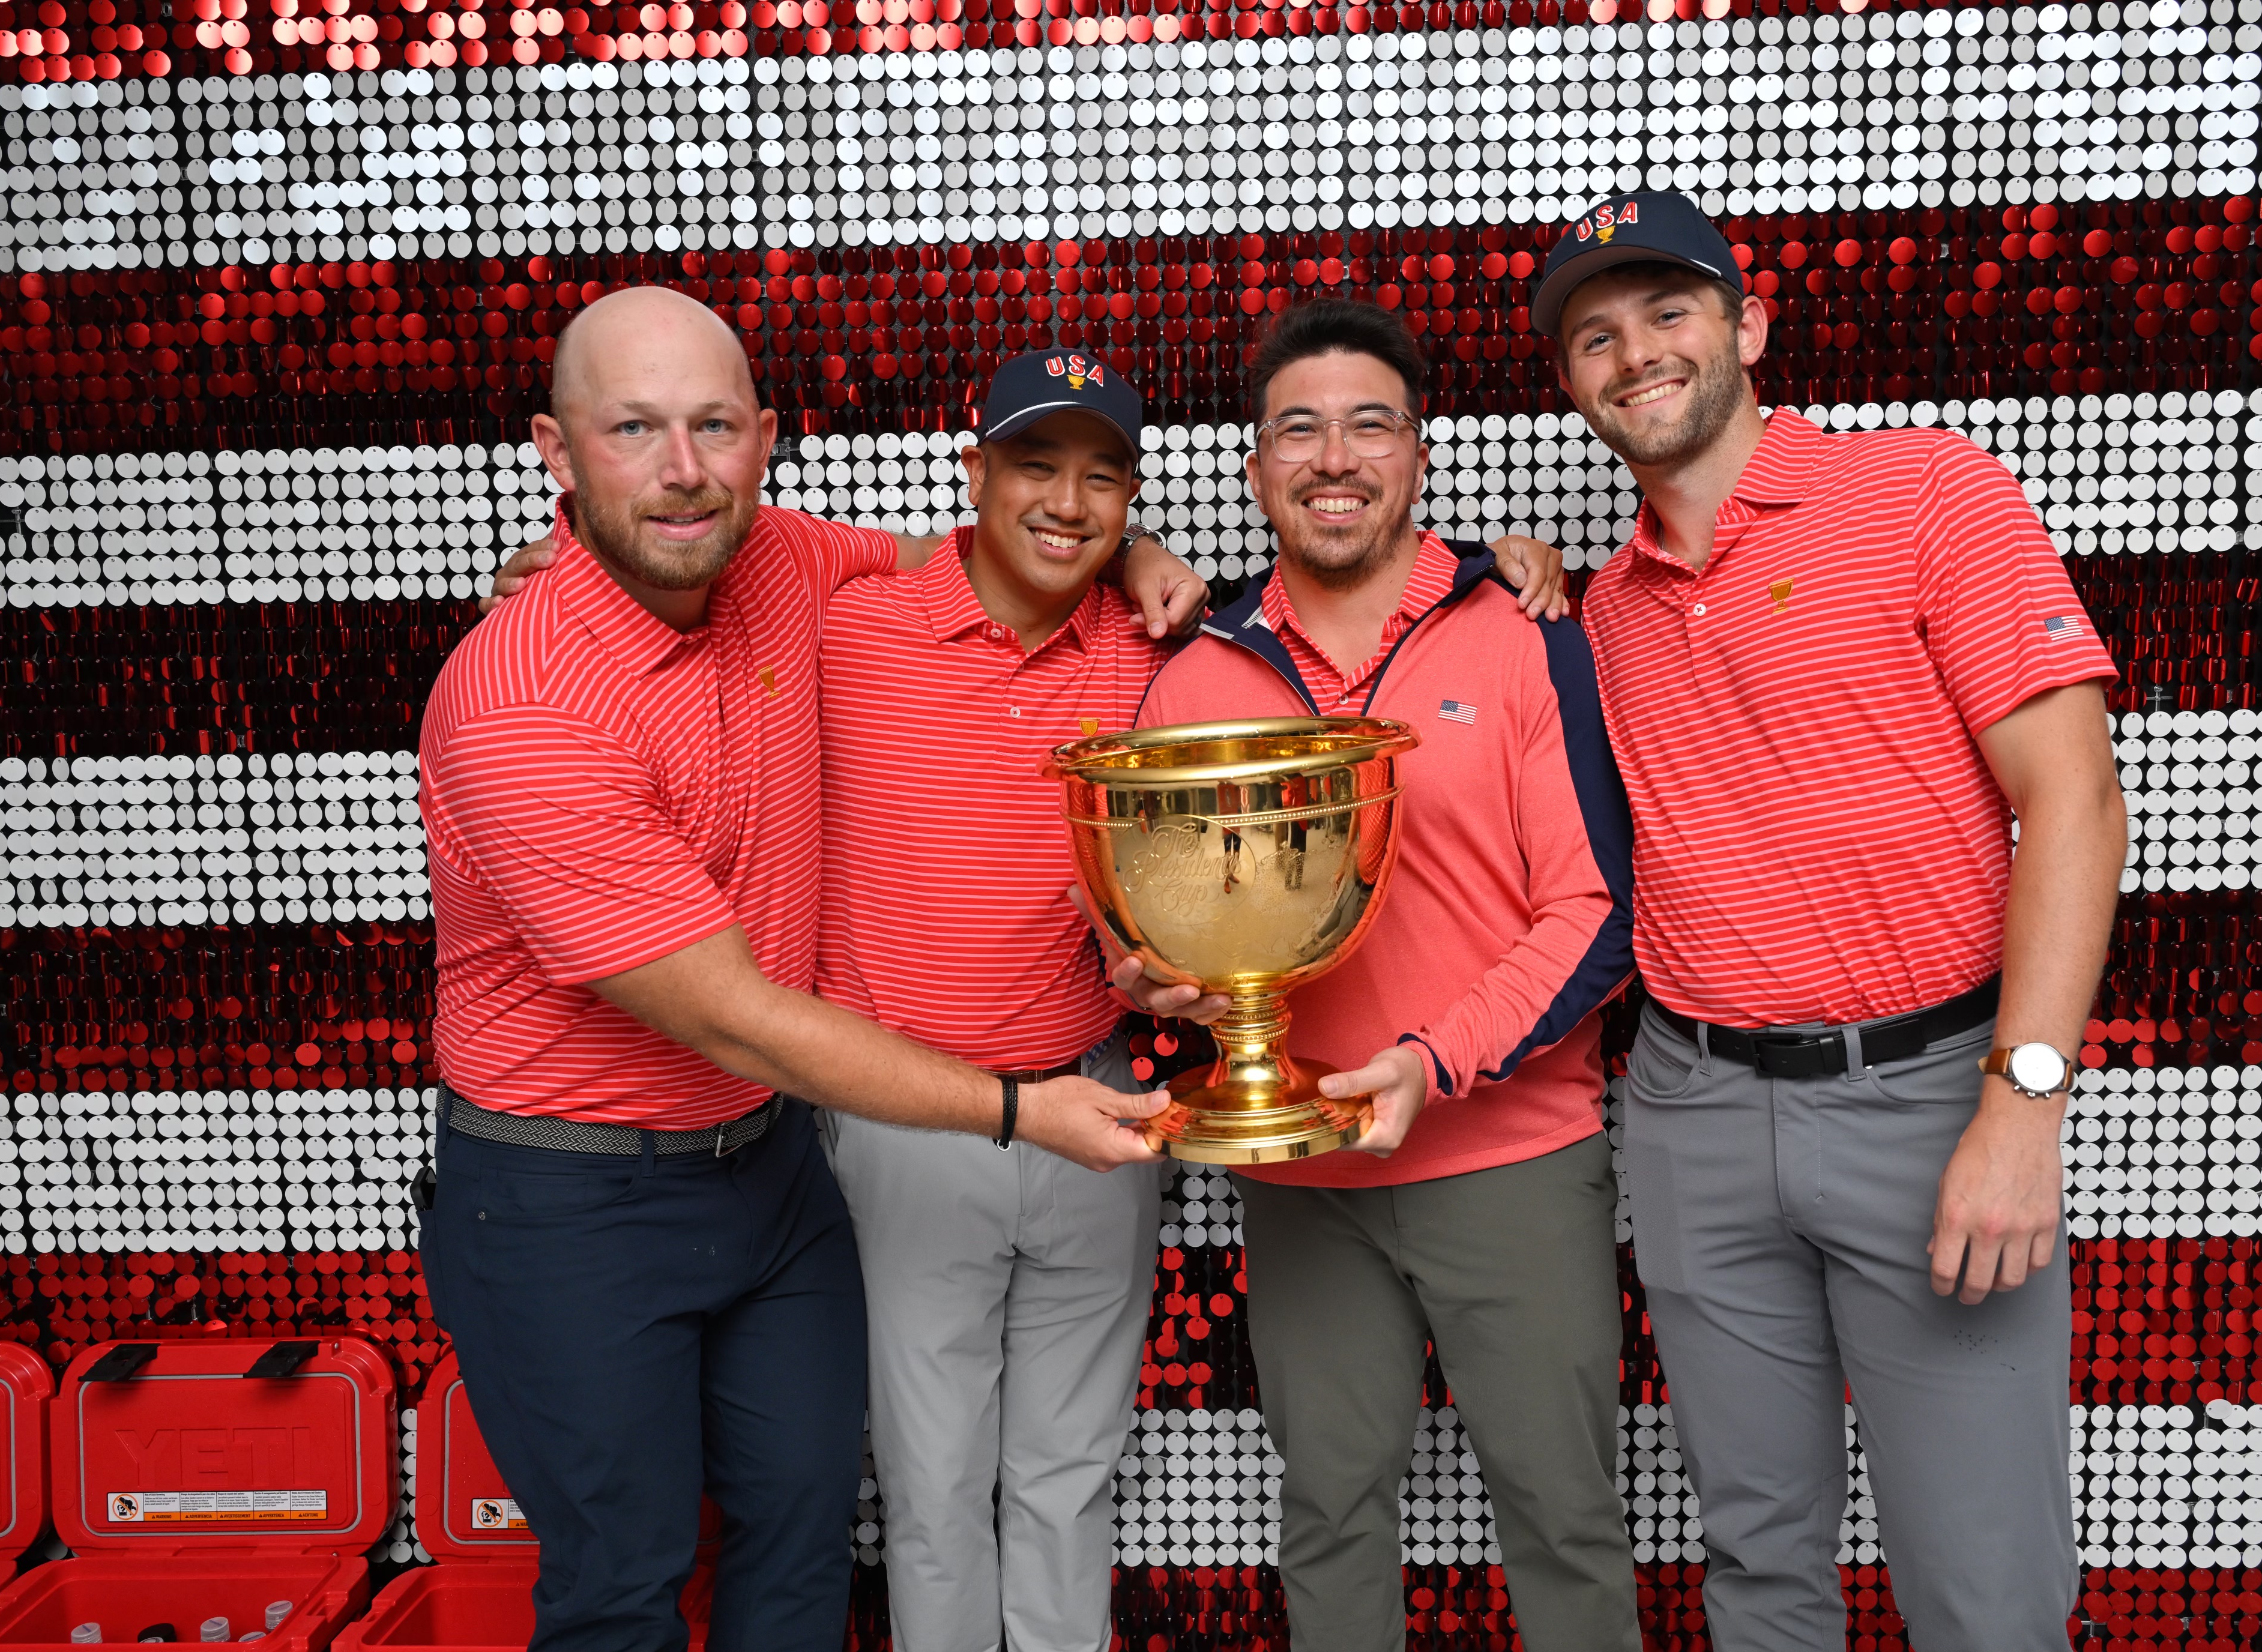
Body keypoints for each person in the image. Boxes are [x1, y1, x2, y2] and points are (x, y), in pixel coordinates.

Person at [472, 328, 1576, 1652]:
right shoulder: (841, 610)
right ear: (971, 475)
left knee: (1069, 1475)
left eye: (1102, 477)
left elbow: (1187, 876)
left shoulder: (1161, 644)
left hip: (1097, 1108)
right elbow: (679, 554)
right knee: (929, 1491)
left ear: (1134, 500)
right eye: (1033, 465)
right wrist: (564, 562)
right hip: (900, 1118)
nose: (1065, 500)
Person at [417, 287, 1176, 1652]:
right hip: (571, 1191)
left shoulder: (779, 559)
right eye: (632, 429)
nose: (682, 469)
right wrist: (1017, 1107)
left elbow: (1000, 543)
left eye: (712, 425)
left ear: (766, 438)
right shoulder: (523, 695)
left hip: (767, 1171)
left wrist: (1132, 550)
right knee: (626, 1576)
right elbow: (743, 1019)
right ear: (555, 449)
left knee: (800, 1535)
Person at [1530, 191, 2127, 1651]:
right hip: (1690, 1111)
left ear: (1749, 325)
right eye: (1594, 337)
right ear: (1570, 385)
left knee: (1984, 1588)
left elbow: (2077, 799)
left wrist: (2022, 1105)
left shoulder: (1927, 491)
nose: (1636, 356)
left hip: (1928, 1098)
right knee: (1759, 1566)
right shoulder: (1600, 610)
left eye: (1669, 313)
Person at [1117, 297, 1641, 1652]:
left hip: (1508, 1154)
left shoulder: (1523, 630)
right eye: (1299, 429)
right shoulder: (1194, 675)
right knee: (1331, 1512)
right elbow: (1142, 917)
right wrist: (1150, 978)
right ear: (1254, 470)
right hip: (1304, 1176)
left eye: (1369, 425)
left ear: (1419, 455)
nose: (1334, 457)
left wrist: (1434, 1060)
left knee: (1565, 1516)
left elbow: (1592, 910)